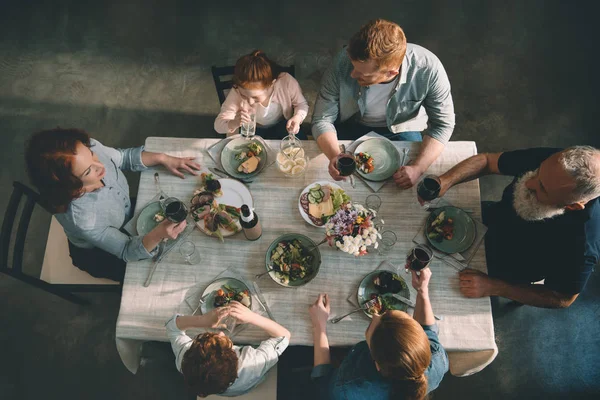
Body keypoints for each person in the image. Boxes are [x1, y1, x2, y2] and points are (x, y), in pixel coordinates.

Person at [25, 128, 200, 282]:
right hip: (99, 254)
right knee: (159, 272)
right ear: (70, 187)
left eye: (91, 154)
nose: (100, 165)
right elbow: (126, 249)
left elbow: (123, 158)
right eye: (88, 171)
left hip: (124, 213)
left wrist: (163, 158)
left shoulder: (89, 147)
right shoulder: (84, 220)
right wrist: (157, 236)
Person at [433, 146, 600, 308]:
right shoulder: (556, 163)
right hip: (490, 217)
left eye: (542, 188)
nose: (529, 184)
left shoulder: (583, 243)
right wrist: (445, 181)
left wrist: (495, 287)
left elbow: (562, 298)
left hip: (509, 268)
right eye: (538, 171)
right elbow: (487, 161)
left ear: (572, 206)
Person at [311, 19, 455, 189]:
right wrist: (335, 156)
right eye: (353, 66)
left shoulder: (429, 69)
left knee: (405, 185)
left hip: (402, 129)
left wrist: (418, 168)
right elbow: (322, 119)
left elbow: (443, 125)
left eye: (363, 74)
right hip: (351, 124)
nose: (352, 75)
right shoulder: (343, 61)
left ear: (391, 72)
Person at [309, 267, 448, 400]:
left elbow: (322, 381)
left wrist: (319, 326)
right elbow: (429, 330)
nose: (376, 315)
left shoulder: (347, 388)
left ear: (377, 365)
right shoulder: (438, 360)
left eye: (372, 325)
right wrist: (422, 291)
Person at [165, 301, 291, 397]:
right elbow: (284, 336)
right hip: (248, 382)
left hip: (219, 388)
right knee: (253, 383)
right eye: (225, 345)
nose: (220, 334)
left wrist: (202, 320)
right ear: (235, 358)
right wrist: (252, 317)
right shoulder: (252, 363)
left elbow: (172, 326)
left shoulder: (186, 358)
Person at [214, 50, 309, 139]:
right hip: (254, 129)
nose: (250, 101)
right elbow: (218, 125)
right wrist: (234, 123)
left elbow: (301, 104)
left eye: (255, 97)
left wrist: (297, 117)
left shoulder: (286, 82)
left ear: (272, 84)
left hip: (282, 125)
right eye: (244, 96)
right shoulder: (237, 91)